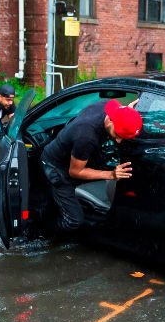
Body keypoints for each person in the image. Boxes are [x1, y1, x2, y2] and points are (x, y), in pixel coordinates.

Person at [40, 99, 143, 231]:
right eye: (117, 134)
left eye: (123, 137)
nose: (118, 140)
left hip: (75, 155)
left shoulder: (109, 107)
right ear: (110, 120)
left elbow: (123, 115)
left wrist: (129, 113)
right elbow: (75, 172)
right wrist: (111, 174)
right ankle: (41, 229)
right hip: (55, 166)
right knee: (74, 221)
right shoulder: (86, 137)